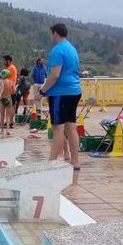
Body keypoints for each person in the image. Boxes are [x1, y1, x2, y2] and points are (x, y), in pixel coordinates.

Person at [39, 23, 83, 170]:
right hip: (75, 91)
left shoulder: (57, 50)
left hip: (61, 93)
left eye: (50, 34)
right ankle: (75, 161)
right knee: (71, 127)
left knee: (57, 128)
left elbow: (54, 75)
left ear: (55, 33)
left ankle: (52, 163)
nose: (50, 37)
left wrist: (42, 91)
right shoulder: (72, 48)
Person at [0, 69, 15, 136]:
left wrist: (0, 95)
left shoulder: (2, 81)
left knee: (2, 115)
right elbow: (14, 91)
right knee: (8, 116)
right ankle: (7, 130)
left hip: (3, 99)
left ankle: (2, 130)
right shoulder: (12, 82)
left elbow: (2, 88)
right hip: (9, 99)